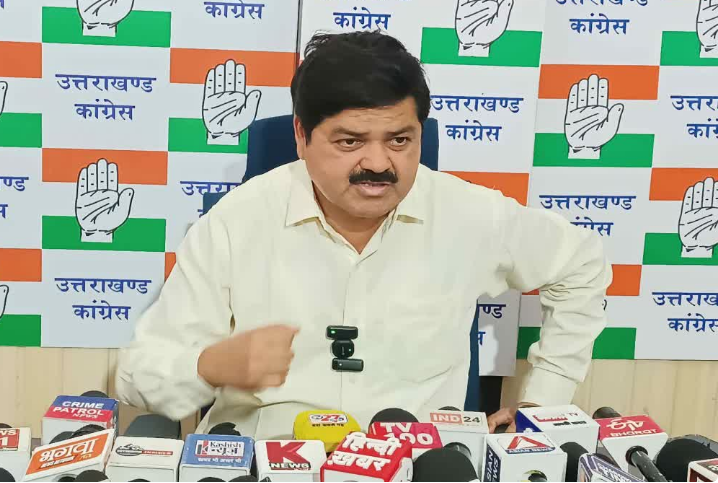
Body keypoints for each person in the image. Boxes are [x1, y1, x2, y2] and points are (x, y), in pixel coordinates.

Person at [115, 31, 610, 438]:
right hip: (269, 459)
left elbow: (582, 264)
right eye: (350, 141)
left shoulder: (469, 214)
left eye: (400, 140)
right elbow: (137, 376)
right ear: (301, 136)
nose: (377, 163)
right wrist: (207, 367)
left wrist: (542, 403)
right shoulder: (235, 222)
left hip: (413, 462)